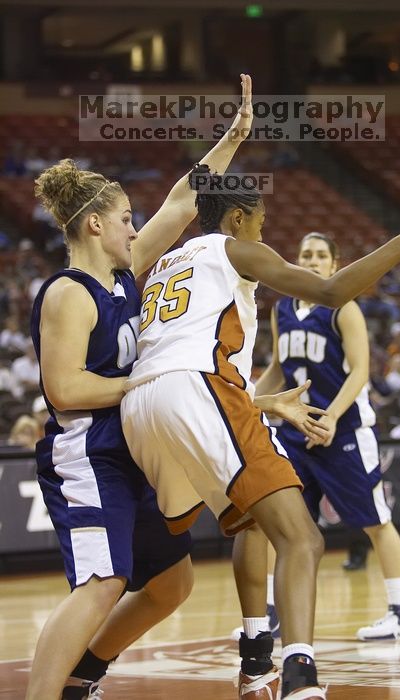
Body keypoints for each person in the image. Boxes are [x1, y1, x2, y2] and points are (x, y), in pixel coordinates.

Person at [121, 168, 400, 699]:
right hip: (197, 389)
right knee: (303, 538)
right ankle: (301, 678)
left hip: (141, 407)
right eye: (260, 220)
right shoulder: (237, 250)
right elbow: (331, 291)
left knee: (251, 522)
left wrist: (259, 401)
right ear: (238, 218)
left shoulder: (167, 260)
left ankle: (255, 656)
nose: (264, 231)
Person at [26, 74, 259, 700]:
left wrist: (233, 139)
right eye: (126, 219)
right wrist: (146, 381)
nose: (136, 228)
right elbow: (67, 390)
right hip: (87, 452)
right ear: (97, 224)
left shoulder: (125, 276)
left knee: (171, 585)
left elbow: (183, 203)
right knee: (103, 581)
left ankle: (83, 678)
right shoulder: (70, 293)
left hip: (130, 449)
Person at [234, 231, 400, 646]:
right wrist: (248, 401)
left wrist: (333, 417)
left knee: (376, 521)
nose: (313, 260)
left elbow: (360, 371)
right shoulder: (283, 308)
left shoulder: (344, 308)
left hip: (344, 431)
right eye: (306, 254)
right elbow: (280, 371)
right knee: (276, 523)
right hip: (295, 432)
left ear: (335, 265)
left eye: (321, 255)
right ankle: (271, 612)